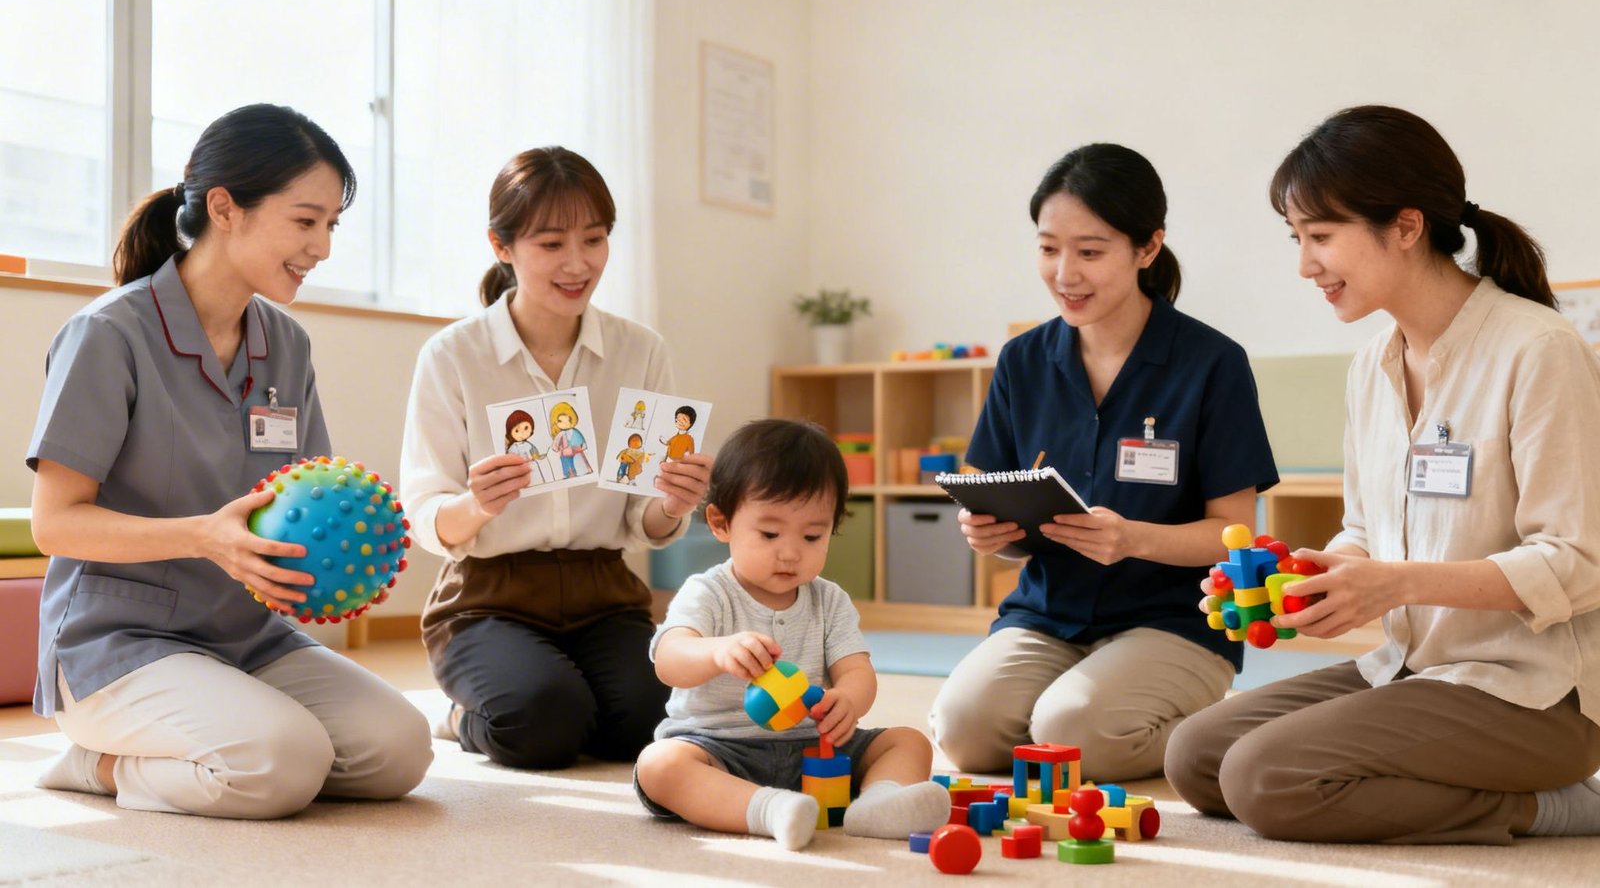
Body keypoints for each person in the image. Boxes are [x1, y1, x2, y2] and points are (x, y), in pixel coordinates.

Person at [1164, 105, 1600, 844]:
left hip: (1533, 692)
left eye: (1322, 237)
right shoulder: (1372, 366)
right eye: (1297, 239)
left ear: (1405, 226)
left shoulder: (1538, 350)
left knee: (1266, 779)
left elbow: (1579, 561)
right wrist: (1320, 576)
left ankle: (1555, 807)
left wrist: (1394, 583)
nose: (1306, 264)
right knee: (1197, 756)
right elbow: (1365, 530)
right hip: (1414, 669)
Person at [26, 103, 432, 819]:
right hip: (118, 640)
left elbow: (307, 496)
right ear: (225, 207)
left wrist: (342, 564)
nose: (323, 247)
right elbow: (55, 526)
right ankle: (100, 764)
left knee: (399, 749)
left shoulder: (287, 345)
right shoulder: (108, 335)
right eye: (306, 221)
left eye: (332, 225)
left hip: (248, 636)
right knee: (282, 763)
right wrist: (202, 535)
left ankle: (224, 730)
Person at [929, 144, 1279, 782]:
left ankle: (1224, 729)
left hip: (1174, 621)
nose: (1066, 273)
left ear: (1148, 248)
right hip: (1047, 614)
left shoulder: (1212, 364)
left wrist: (1132, 539)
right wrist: (991, 536)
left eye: (1090, 252)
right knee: (964, 733)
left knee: (1073, 733)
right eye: (1048, 248)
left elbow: (1235, 536)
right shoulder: (1022, 362)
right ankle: (1084, 697)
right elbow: (1001, 502)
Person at [400, 147, 713, 769]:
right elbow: (424, 510)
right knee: (540, 726)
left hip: (606, 594)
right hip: (488, 598)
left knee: (655, 725)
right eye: (550, 245)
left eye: (594, 240)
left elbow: (641, 523)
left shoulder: (640, 351)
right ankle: (462, 716)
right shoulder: (453, 356)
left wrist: (671, 504)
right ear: (503, 246)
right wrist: (475, 505)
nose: (578, 264)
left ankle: (571, 696)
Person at [633, 419, 950, 850]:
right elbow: (670, 660)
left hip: (815, 747)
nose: (790, 551)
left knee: (908, 740)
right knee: (660, 766)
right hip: (721, 750)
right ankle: (769, 810)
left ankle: (877, 805)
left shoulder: (829, 600)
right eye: (769, 533)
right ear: (720, 522)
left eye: (812, 535)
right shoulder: (708, 591)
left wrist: (849, 701)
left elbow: (857, 669)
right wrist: (718, 651)